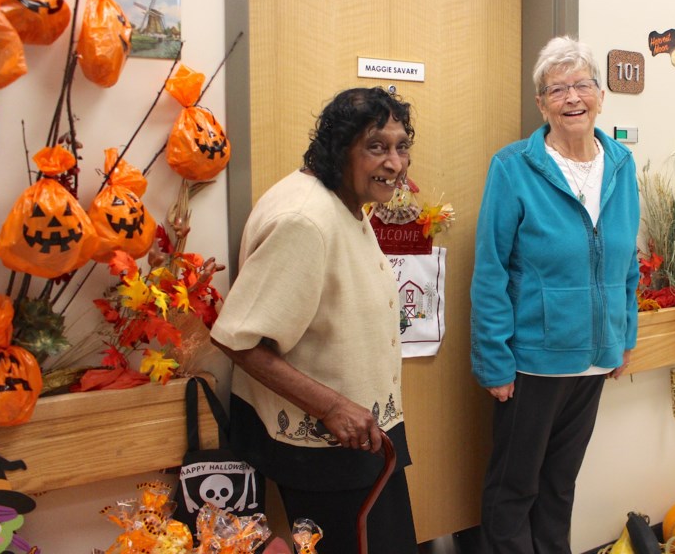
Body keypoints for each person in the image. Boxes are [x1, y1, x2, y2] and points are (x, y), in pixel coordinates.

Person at [210, 87, 419, 553]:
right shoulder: (304, 219)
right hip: (328, 448)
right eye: (376, 147)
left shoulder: (343, 200)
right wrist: (331, 407)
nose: (395, 162)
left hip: (364, 439)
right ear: (338, 147)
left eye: (401, 146)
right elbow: (237, 339)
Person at [470, 36, 641, 553]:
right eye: (557, 88)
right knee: (513, 488)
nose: (572, 98)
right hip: (534, 364)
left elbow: (627, 259)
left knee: (559, 485)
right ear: (541, 104)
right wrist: (493, 360)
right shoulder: (513, 167)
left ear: (600, 96)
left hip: (592, 360)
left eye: (582, 84)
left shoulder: (621, 165)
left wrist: (623, 336)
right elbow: (491, 269)